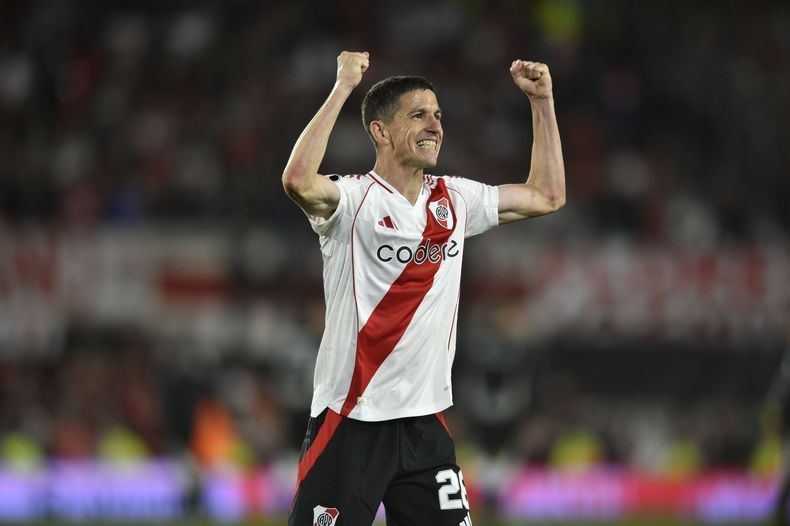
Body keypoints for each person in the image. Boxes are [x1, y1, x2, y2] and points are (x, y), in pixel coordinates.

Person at [281, 50, 565, 526]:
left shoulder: (454, 199)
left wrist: (543, 101)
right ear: (380, 131)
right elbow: (296, 180)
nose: (435, 125)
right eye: (418, 115)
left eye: (438, 115)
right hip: (350, 420)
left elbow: (547, 195)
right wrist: (343, 87)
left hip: (423, 426)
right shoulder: (352, 199)